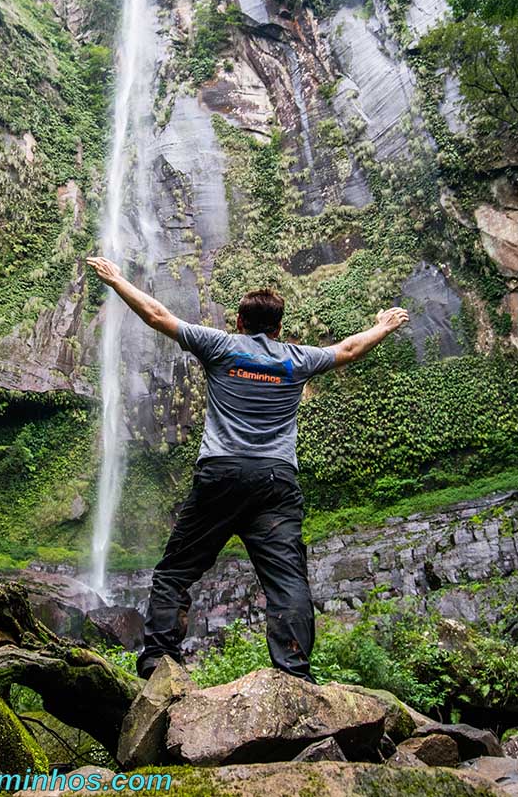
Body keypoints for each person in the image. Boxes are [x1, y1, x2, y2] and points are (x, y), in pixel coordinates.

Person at [86, 255, 409, 682]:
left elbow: (157, 314)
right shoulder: (297, 359)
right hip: (275, 481)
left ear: (238, 321)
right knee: (287, 582)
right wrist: (383, 326)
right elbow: (349, 348)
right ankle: (294, 674)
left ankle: (156, 662)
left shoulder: (219, 347)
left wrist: (118, 281)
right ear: (278, 328)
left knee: (175, 571)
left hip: (221, 475)